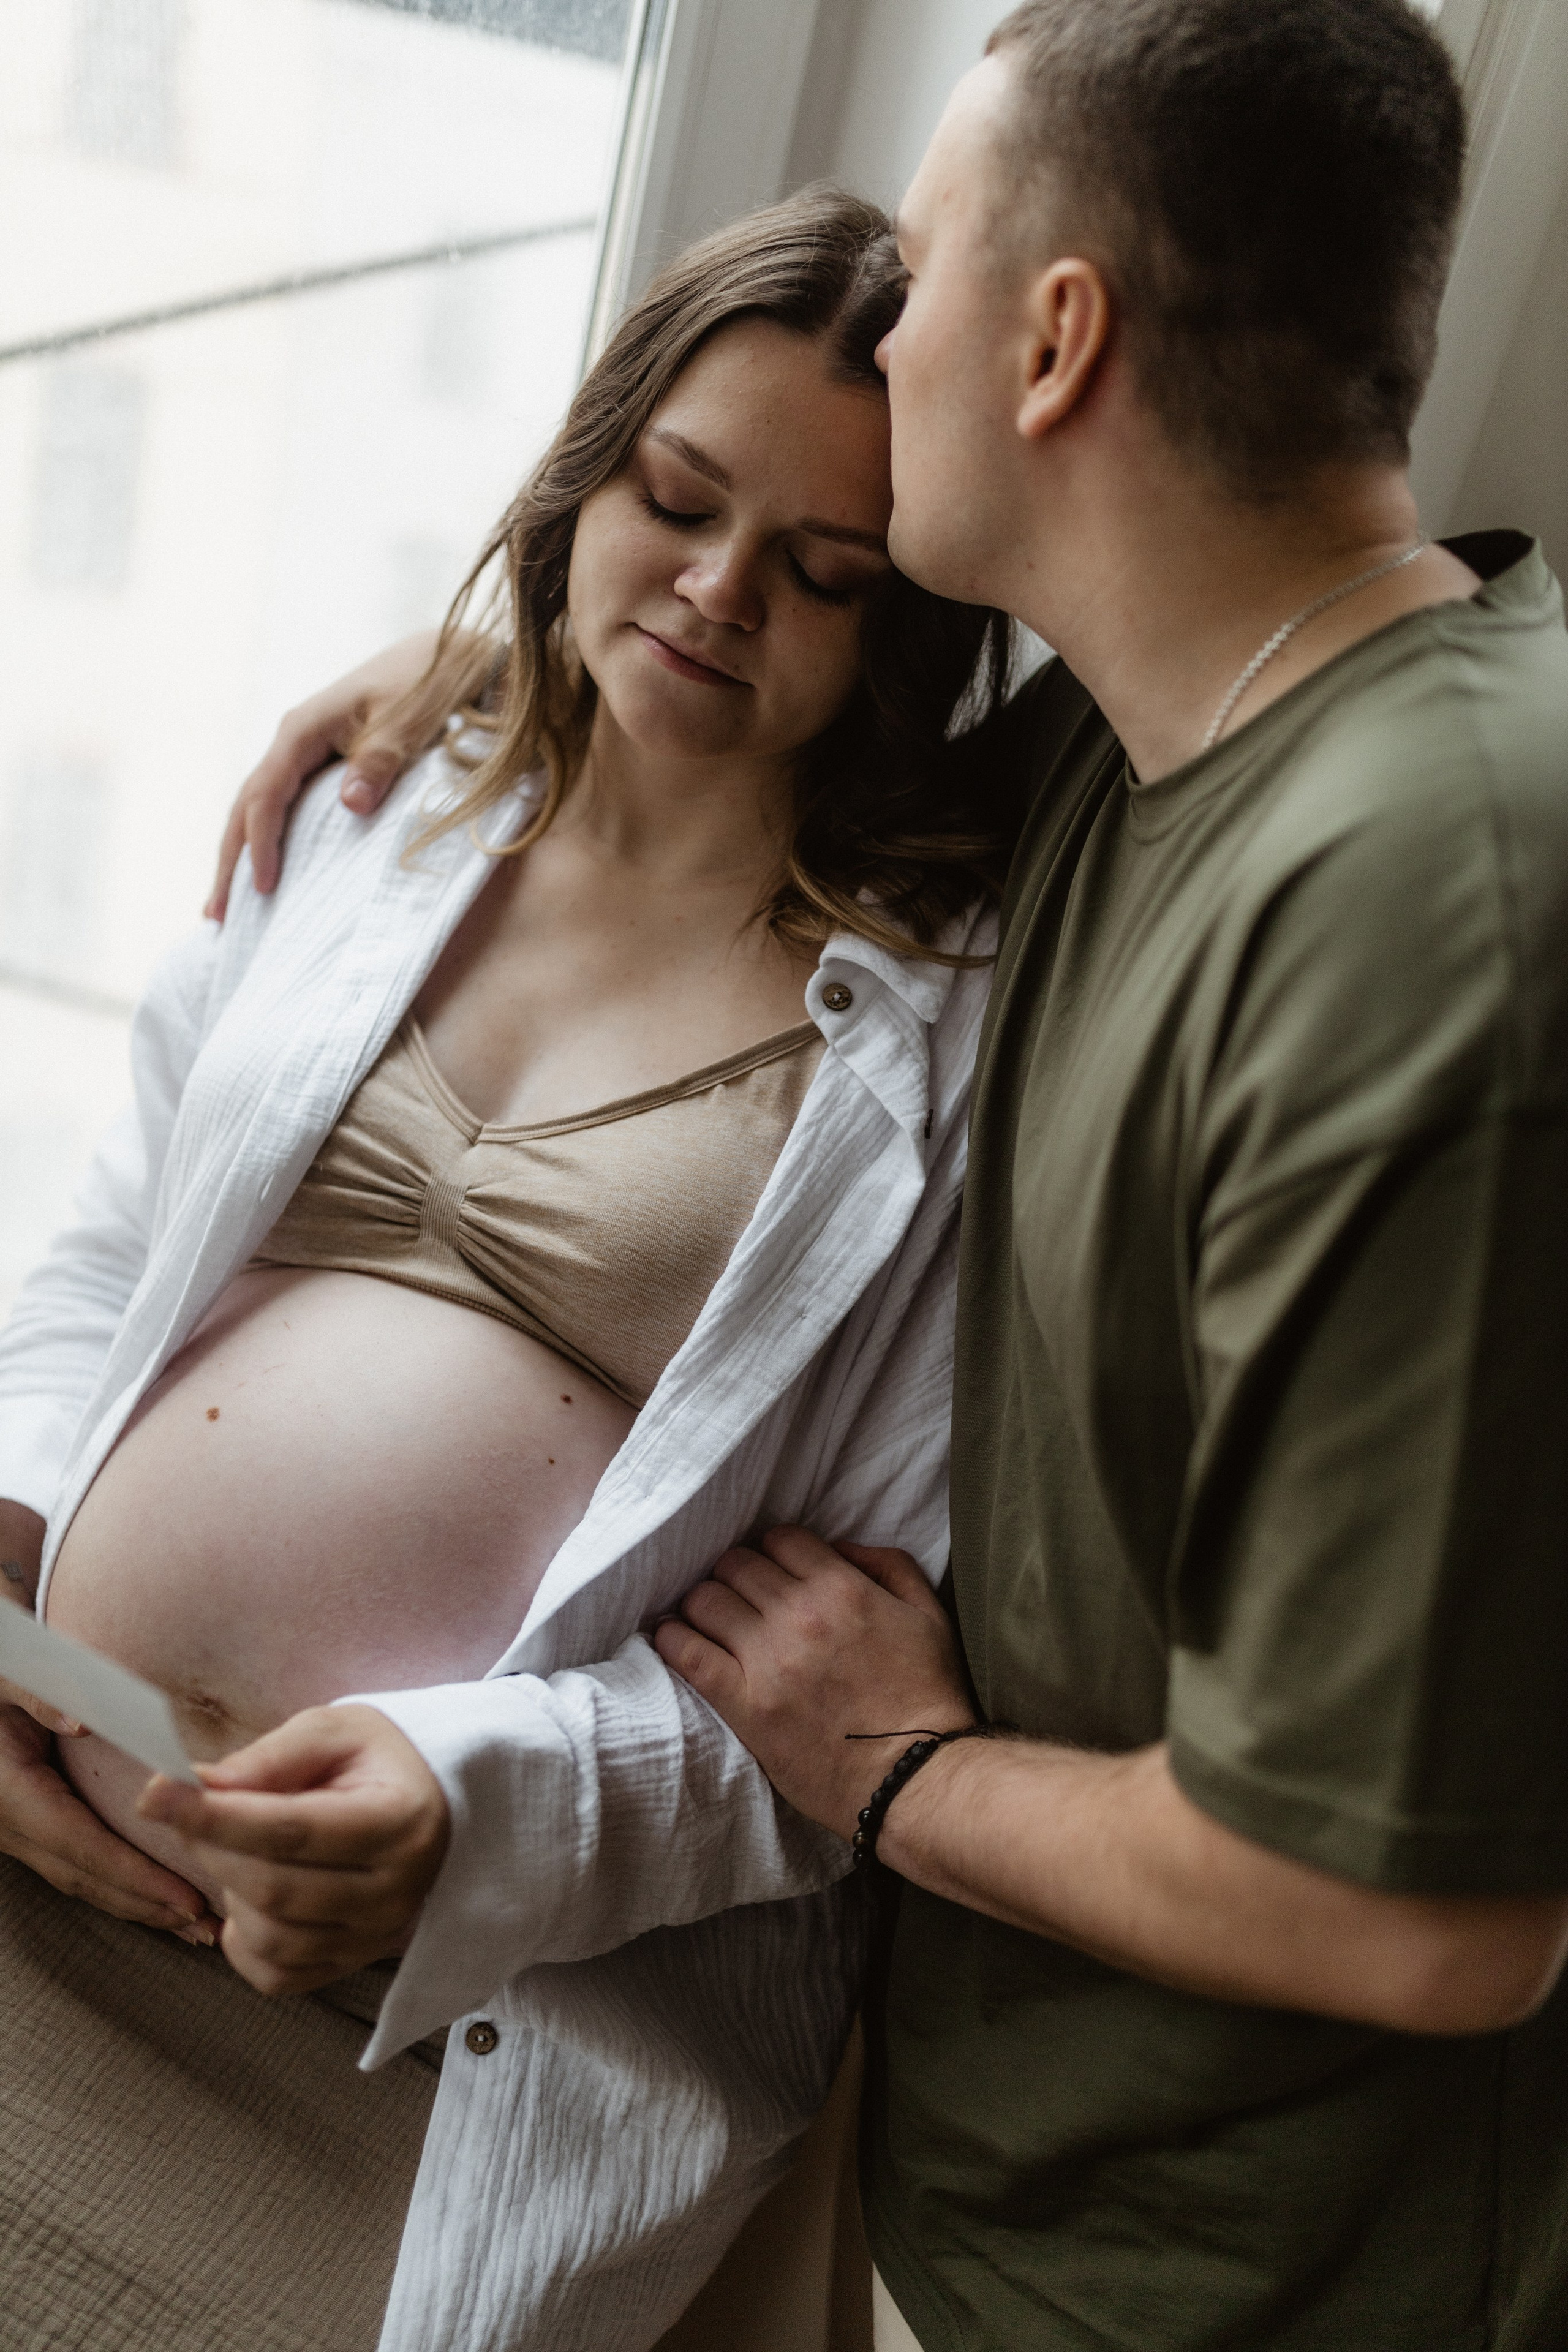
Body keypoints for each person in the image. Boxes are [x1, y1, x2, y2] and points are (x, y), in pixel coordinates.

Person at [0, 188, 1016, 2352]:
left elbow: (827, 1721)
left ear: (905, 627)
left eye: (824, 573)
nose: (723, 592)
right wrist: (6, 1541)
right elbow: (105, 1265)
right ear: (585, 480)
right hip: (38, 1842)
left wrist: (473, 1810)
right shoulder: (383, 809)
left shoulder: (939, 1051)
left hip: (428, 2037)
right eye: (677, 499)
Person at [640, 4, 1568, 2350]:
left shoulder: (1431, 911)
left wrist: (893, 1763)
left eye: (926, 268)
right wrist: (442, 694)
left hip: (1285, 2295)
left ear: (1061, 340)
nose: (892, 329)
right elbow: (753, 764)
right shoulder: (1153, 723)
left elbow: (1416, 1917)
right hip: (1015, 2198)